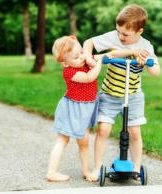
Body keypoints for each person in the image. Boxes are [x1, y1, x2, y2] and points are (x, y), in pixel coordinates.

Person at [83, 4, 161, 181]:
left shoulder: (145, 46)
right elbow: (89, 43)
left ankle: (136, 167)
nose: (121, 36)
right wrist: (89, 56)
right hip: (109, 94)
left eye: (125, 34)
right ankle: (96, 168)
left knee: (134, 132)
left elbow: (156, 70)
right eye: (119, 31)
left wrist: (147, 62)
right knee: (103, 130)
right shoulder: (113, 38)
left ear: (139, 31)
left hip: (133, 96)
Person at [46, 35, 133, 182]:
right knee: (63, 139)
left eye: (81, 52)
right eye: (76, 56)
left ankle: (86, 171)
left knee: (84, 141)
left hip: (86, 109)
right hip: (72, 109)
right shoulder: (70, 72)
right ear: (65, 63)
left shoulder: (85, 59)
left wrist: (133, 52)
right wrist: (98, 63)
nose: (81, 56)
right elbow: (89, 78)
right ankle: (51, 172)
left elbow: (109, 54)